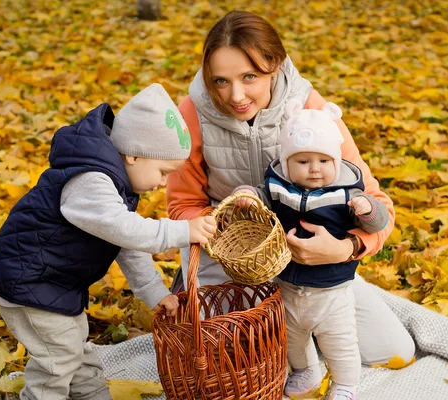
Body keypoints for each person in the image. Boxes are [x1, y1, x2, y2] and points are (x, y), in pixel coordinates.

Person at [166, 10, 416, 400]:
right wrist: (232, 235)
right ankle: (280, 332)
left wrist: (345, 248)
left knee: (392, 351)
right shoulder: (192, 113)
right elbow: (182, 206)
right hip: (233, 259)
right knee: (235, 368)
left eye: (250, 77)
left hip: (314, 263)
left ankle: (322, 317)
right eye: (221, 81)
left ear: (275, 65)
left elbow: (376, 202)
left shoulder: (311, 110)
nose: (236, 96)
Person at [0, 84, 217, 400]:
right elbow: (127, 230)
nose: (162, 184)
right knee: (58, 358)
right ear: (134, 154)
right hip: (25, 280)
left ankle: (92, 395)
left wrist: (154, 292)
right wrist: (182, 231)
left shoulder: (117, 184)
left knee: (75, 347)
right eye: (163, 172)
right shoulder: (91, 181)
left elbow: (125, 243)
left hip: (53, 282)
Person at [232, 100, 389, 399]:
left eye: (324, 161)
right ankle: (306, 371)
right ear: (288, 163)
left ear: (337, 162)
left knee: (340, 342)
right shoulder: (279, 187)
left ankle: (345, 383)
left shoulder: (348, 193)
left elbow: (376, 223)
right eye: (303, 162)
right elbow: (262, 195)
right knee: (293, 338)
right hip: (288, 284)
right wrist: (247, 195)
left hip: (331, 291)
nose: (314, 169)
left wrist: (367, 209)